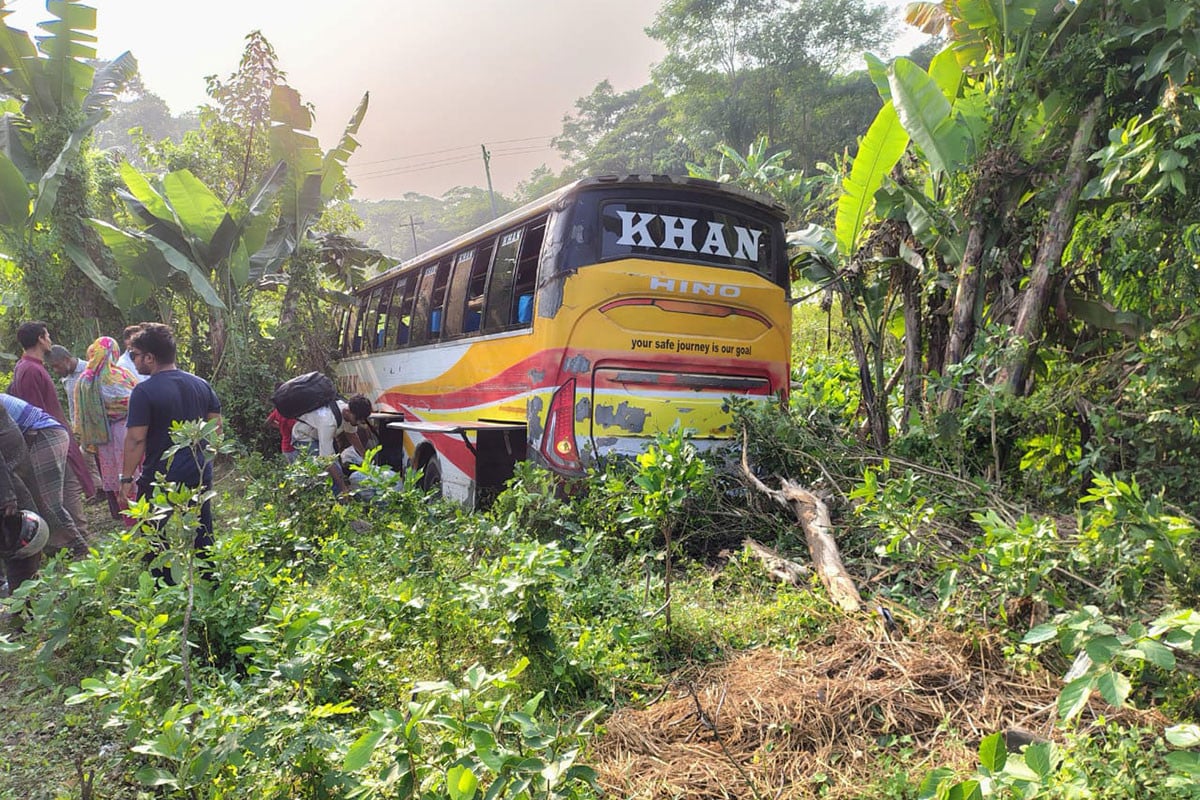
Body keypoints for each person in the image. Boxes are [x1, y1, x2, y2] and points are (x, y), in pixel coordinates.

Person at [120, 323, 222, 553]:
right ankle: (211, 580)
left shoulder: (143, 392)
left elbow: (136, 439)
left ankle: (161, 584)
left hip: (161, 477)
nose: (133, 361)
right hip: (198, 472)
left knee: (155, 535)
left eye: (134, 355)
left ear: (149, 358)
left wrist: (126, 479)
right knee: (203, 531)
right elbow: (216, 429)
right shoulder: (201, 385)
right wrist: (206, 463)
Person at [9, 321, 95, 538]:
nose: (49, 339)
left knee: (67, 488)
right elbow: (34, 415)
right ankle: (78, 539)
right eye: (47, 335)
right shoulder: (29, 369)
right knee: (67, 489)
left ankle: (75, 538)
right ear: (40, 338)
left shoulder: (30, 367)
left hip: (53, 437)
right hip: (49, 439)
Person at [0, 393, 90, 558]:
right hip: (46, 433)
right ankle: (56, 546)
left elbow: (28, 434)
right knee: (42, 497)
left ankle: (77, 546)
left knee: (48, 499)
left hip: (44, 434)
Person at [74, 337, 139, 523]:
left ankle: (129, 520)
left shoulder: (85, 380)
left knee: (118, 480)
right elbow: (136, 399)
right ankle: (144, 517)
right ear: (114, 352)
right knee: (133, 473)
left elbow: (81, 413)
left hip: (104, 437)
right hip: (127, 430)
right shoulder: (120, 375)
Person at [47, 344, 105, 502]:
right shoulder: (66, 378)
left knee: (101, 457)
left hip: (98, 424)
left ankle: (108, 489)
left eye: (56, 366)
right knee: (87, 457)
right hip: (81, 427)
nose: (56, 371)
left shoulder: (89, 370)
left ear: (66, 359)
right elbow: (73, 405)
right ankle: (100, 489)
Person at [0, 402, 46, 595]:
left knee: (20, 541)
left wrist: (6, 495)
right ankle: (23, 607)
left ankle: (25, 603)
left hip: (10, 482)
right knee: (17, 546)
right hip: (8, 486)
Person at [290, 393, 371, 495]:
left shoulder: (347, 412)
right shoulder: (329, 422)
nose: (360, 422)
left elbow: (351, 434)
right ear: (347, 411)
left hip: (319, 436)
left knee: (337, 472)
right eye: (358, 419)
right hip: (304, 437)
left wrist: (365, 456)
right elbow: (326, 460)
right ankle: (334, 501)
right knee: (330, 476)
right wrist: (343, 488)